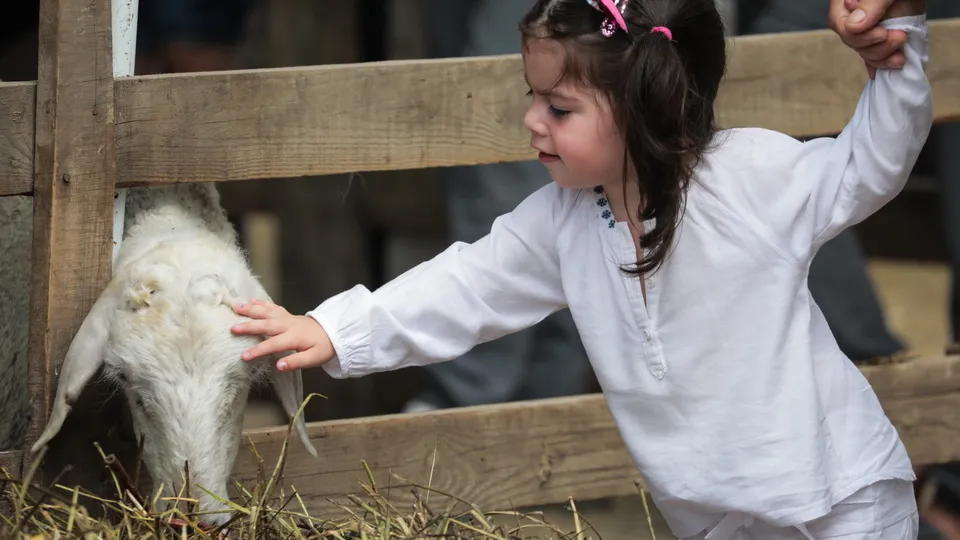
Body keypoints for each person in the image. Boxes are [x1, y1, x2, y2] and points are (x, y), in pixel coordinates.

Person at [231, 0, 931, 537]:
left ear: (646, 107)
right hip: (719, 517)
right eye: (534, 97)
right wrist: (334, 328)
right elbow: (466, 286)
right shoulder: (561, 224)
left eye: (559, 107)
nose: (533, 121)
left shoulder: (751, 177)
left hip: (840, 500)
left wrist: (898, 47)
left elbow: (868, 164)